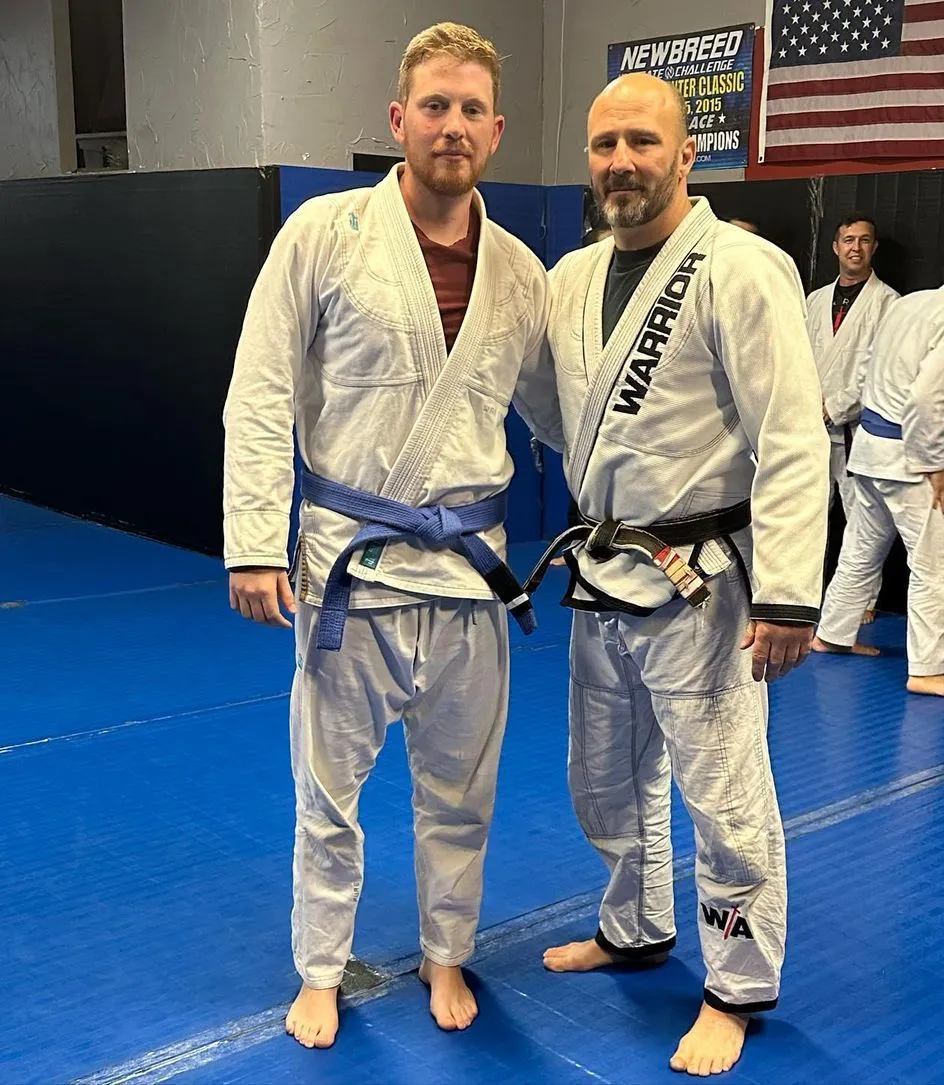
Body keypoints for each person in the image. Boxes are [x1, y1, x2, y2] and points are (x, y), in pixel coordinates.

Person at [222, 22, 561, 1050]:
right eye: (435, 106)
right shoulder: (323, 233)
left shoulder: (519, 270)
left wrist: (648, 512)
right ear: (397, 118)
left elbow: (559, 412)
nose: (451, 126)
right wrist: (252, 538)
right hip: (348, 567)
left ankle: (447, 948)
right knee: (328, 789)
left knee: (462, 789)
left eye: (470, 111)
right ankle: (322, 966)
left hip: (470, 568)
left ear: (495, 131)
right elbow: (261, 388)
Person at [520, 73, 830, 1077]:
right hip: (605, 564)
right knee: (604, 776)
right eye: (604, 142)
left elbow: (790, 435)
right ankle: (635, 925)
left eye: (641, 142)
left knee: (724, 792)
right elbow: (553, 409)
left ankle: (736, 984)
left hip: (705, 582)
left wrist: (788, 592)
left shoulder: (743, 268)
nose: (620, 161)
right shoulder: (567, 278)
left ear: (686, 153)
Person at [812, 226, 944, 698]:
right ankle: (927, 667)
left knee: (861, 549)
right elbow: (928, 400)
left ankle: (833, 634)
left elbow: (869, 367)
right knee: (936, 565)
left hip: (868, 448)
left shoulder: (911, 302)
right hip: (908, 459)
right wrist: (938, 466)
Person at [805, 214, 899, 623]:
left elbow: (882, 369)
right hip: (808, 428)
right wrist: (805, 405)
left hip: (856, 428)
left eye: (864, 240)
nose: (855, 247)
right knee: (804, 516)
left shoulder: (889, 303)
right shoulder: (814, 300)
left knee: (862, 521)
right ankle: (801, 592)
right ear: (835, 247)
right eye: (848, 240)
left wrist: (836, 406)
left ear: (873, 248)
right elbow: (797, 359)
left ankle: (861, 602)